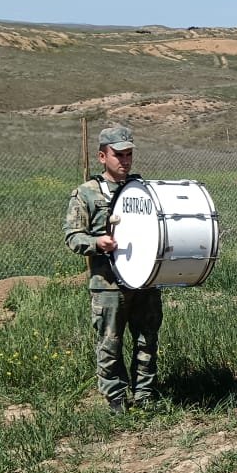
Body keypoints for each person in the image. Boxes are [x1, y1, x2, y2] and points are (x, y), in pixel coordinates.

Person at [64, 125, 162, 414]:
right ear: (102, 157)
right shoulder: (86, 193)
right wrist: (97, 243)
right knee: (110, 342)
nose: (125, 160)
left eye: (129, 154)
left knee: (147, 339)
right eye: (119, 155)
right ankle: (116, 400)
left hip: (144, 280)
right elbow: (73, 236)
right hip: (107, 284)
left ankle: (145, 396)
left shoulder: (142, 190)